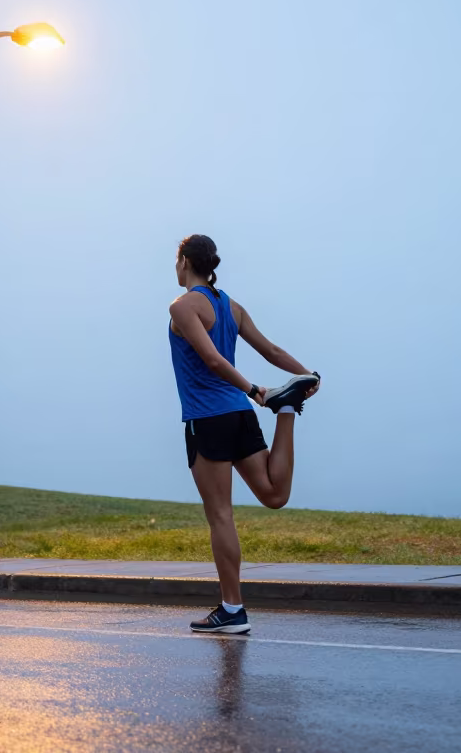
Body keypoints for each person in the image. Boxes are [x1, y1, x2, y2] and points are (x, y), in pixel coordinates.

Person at [168, 234, 320, 634]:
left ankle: (232, 609)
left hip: (209, 418)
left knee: (220, 515)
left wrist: (255, 391)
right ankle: (286, 410)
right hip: (237, 416)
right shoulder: (230, 306)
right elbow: (270, 350)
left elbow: (214, 360)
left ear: (184, 262)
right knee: (274, 495)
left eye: (175, 258)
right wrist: (306, 376)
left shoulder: (182, 307)